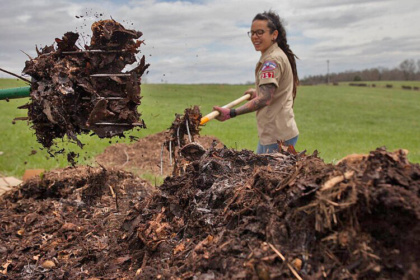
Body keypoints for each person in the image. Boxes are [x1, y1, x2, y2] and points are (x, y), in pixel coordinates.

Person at [212, 10, 299, 154]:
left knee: (266, 175)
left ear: (274, 35)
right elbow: (271, 91)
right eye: (252, 33)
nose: (254, 37)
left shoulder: (271, 61)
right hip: (277, 133)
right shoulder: (274, 55)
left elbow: (265, 98)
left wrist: (231, 113)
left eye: (260, 32)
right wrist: (257, 91)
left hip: (277, 137)